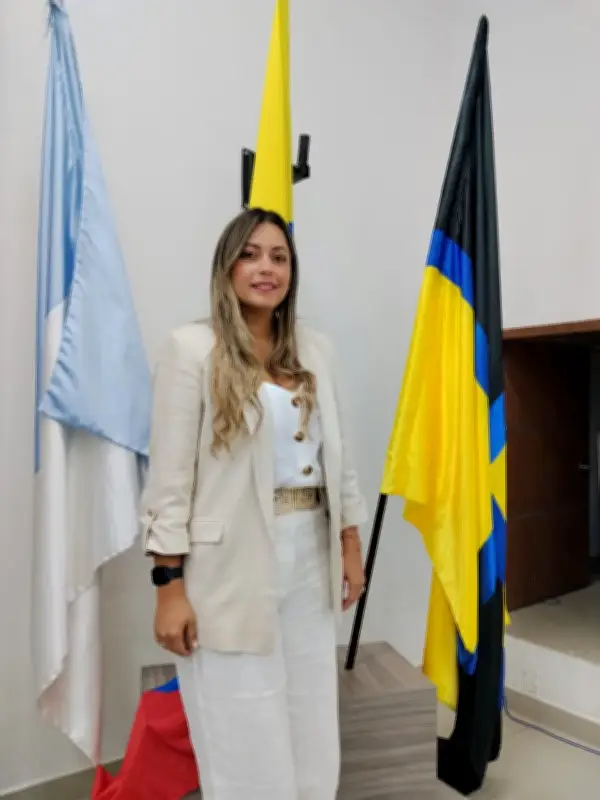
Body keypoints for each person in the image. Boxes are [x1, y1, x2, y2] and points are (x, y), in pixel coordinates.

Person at [141, 207, 367, 800]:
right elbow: (169, 481)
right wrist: (168, 587)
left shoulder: (315, 350)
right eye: (251, 254)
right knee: (243, 729)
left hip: (310, 559)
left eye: (279, 257)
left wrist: (350, 543)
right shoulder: (192, 348)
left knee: (312, 725)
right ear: (227, 267)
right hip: (227, 569)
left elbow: (340, 458)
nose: (266, 268)